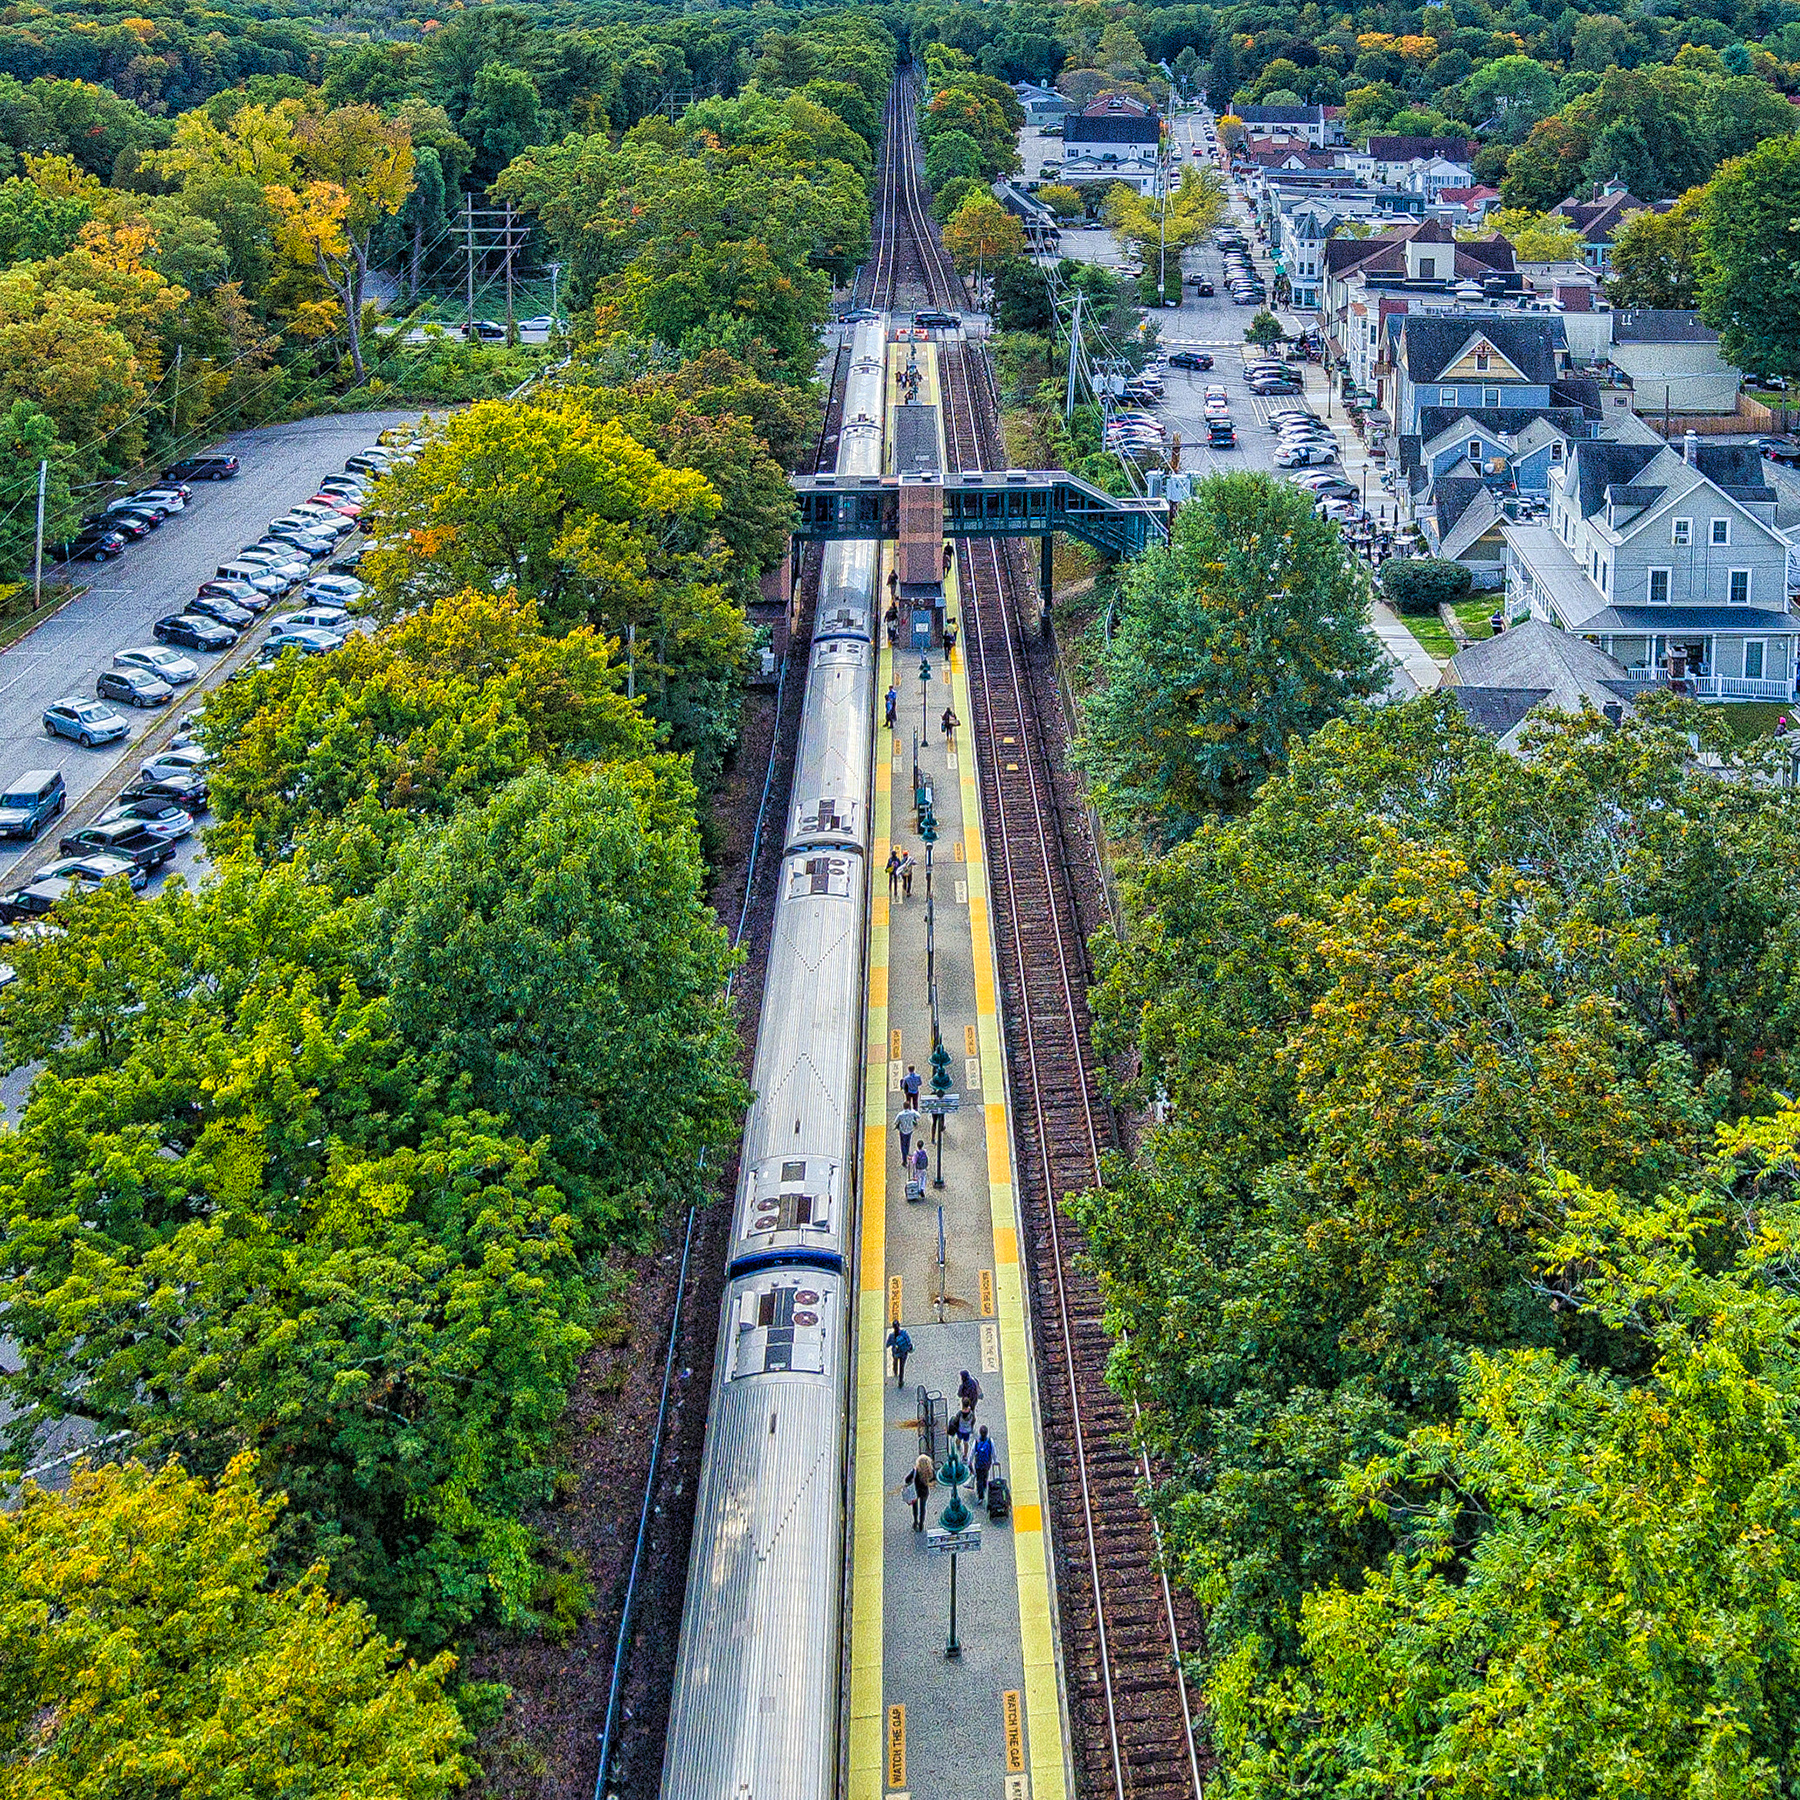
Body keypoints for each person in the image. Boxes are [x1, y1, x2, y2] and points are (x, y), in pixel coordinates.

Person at [903, 1453, 933, 1530]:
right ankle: (921, 1524)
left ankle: (915, 1521)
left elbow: (907, 1479)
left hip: (915, 1492)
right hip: (924, 1492)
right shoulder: (930, 1470)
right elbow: (934, 1479)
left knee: (915, 1507)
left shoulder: (915, 1470)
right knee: (923, 1508)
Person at [972, 1424, 995, 1500]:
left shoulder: (976, 1442)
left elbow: (972, 1453)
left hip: (978, 1464)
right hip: (987, 1463)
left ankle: (980, 1496)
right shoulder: (989, 1441)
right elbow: (993, 1452)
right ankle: (985, 1484)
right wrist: (995, 1461)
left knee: (979, 1479)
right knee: (985, 1474)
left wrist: (969, 1463)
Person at [887, 1320, 913, 1387]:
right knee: (902, 1367)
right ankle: (900, 1382)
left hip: (896, 1353)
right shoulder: (904, 1333)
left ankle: (895, 1372)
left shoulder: (891, 1336)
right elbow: (909, 1342)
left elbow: (887, 1345)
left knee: (895, 1362)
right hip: (903, 1353)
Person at [896, 1103, 921, 1170]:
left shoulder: (900, 1114)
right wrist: (912, 1110)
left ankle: (904, 1159)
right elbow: (919, 1116)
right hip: (910, 1130)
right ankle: (906, 1152)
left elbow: (895, 1122)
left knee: (903, 1145)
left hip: (903, 1131)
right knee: (908, 1142)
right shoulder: (912, 1112)